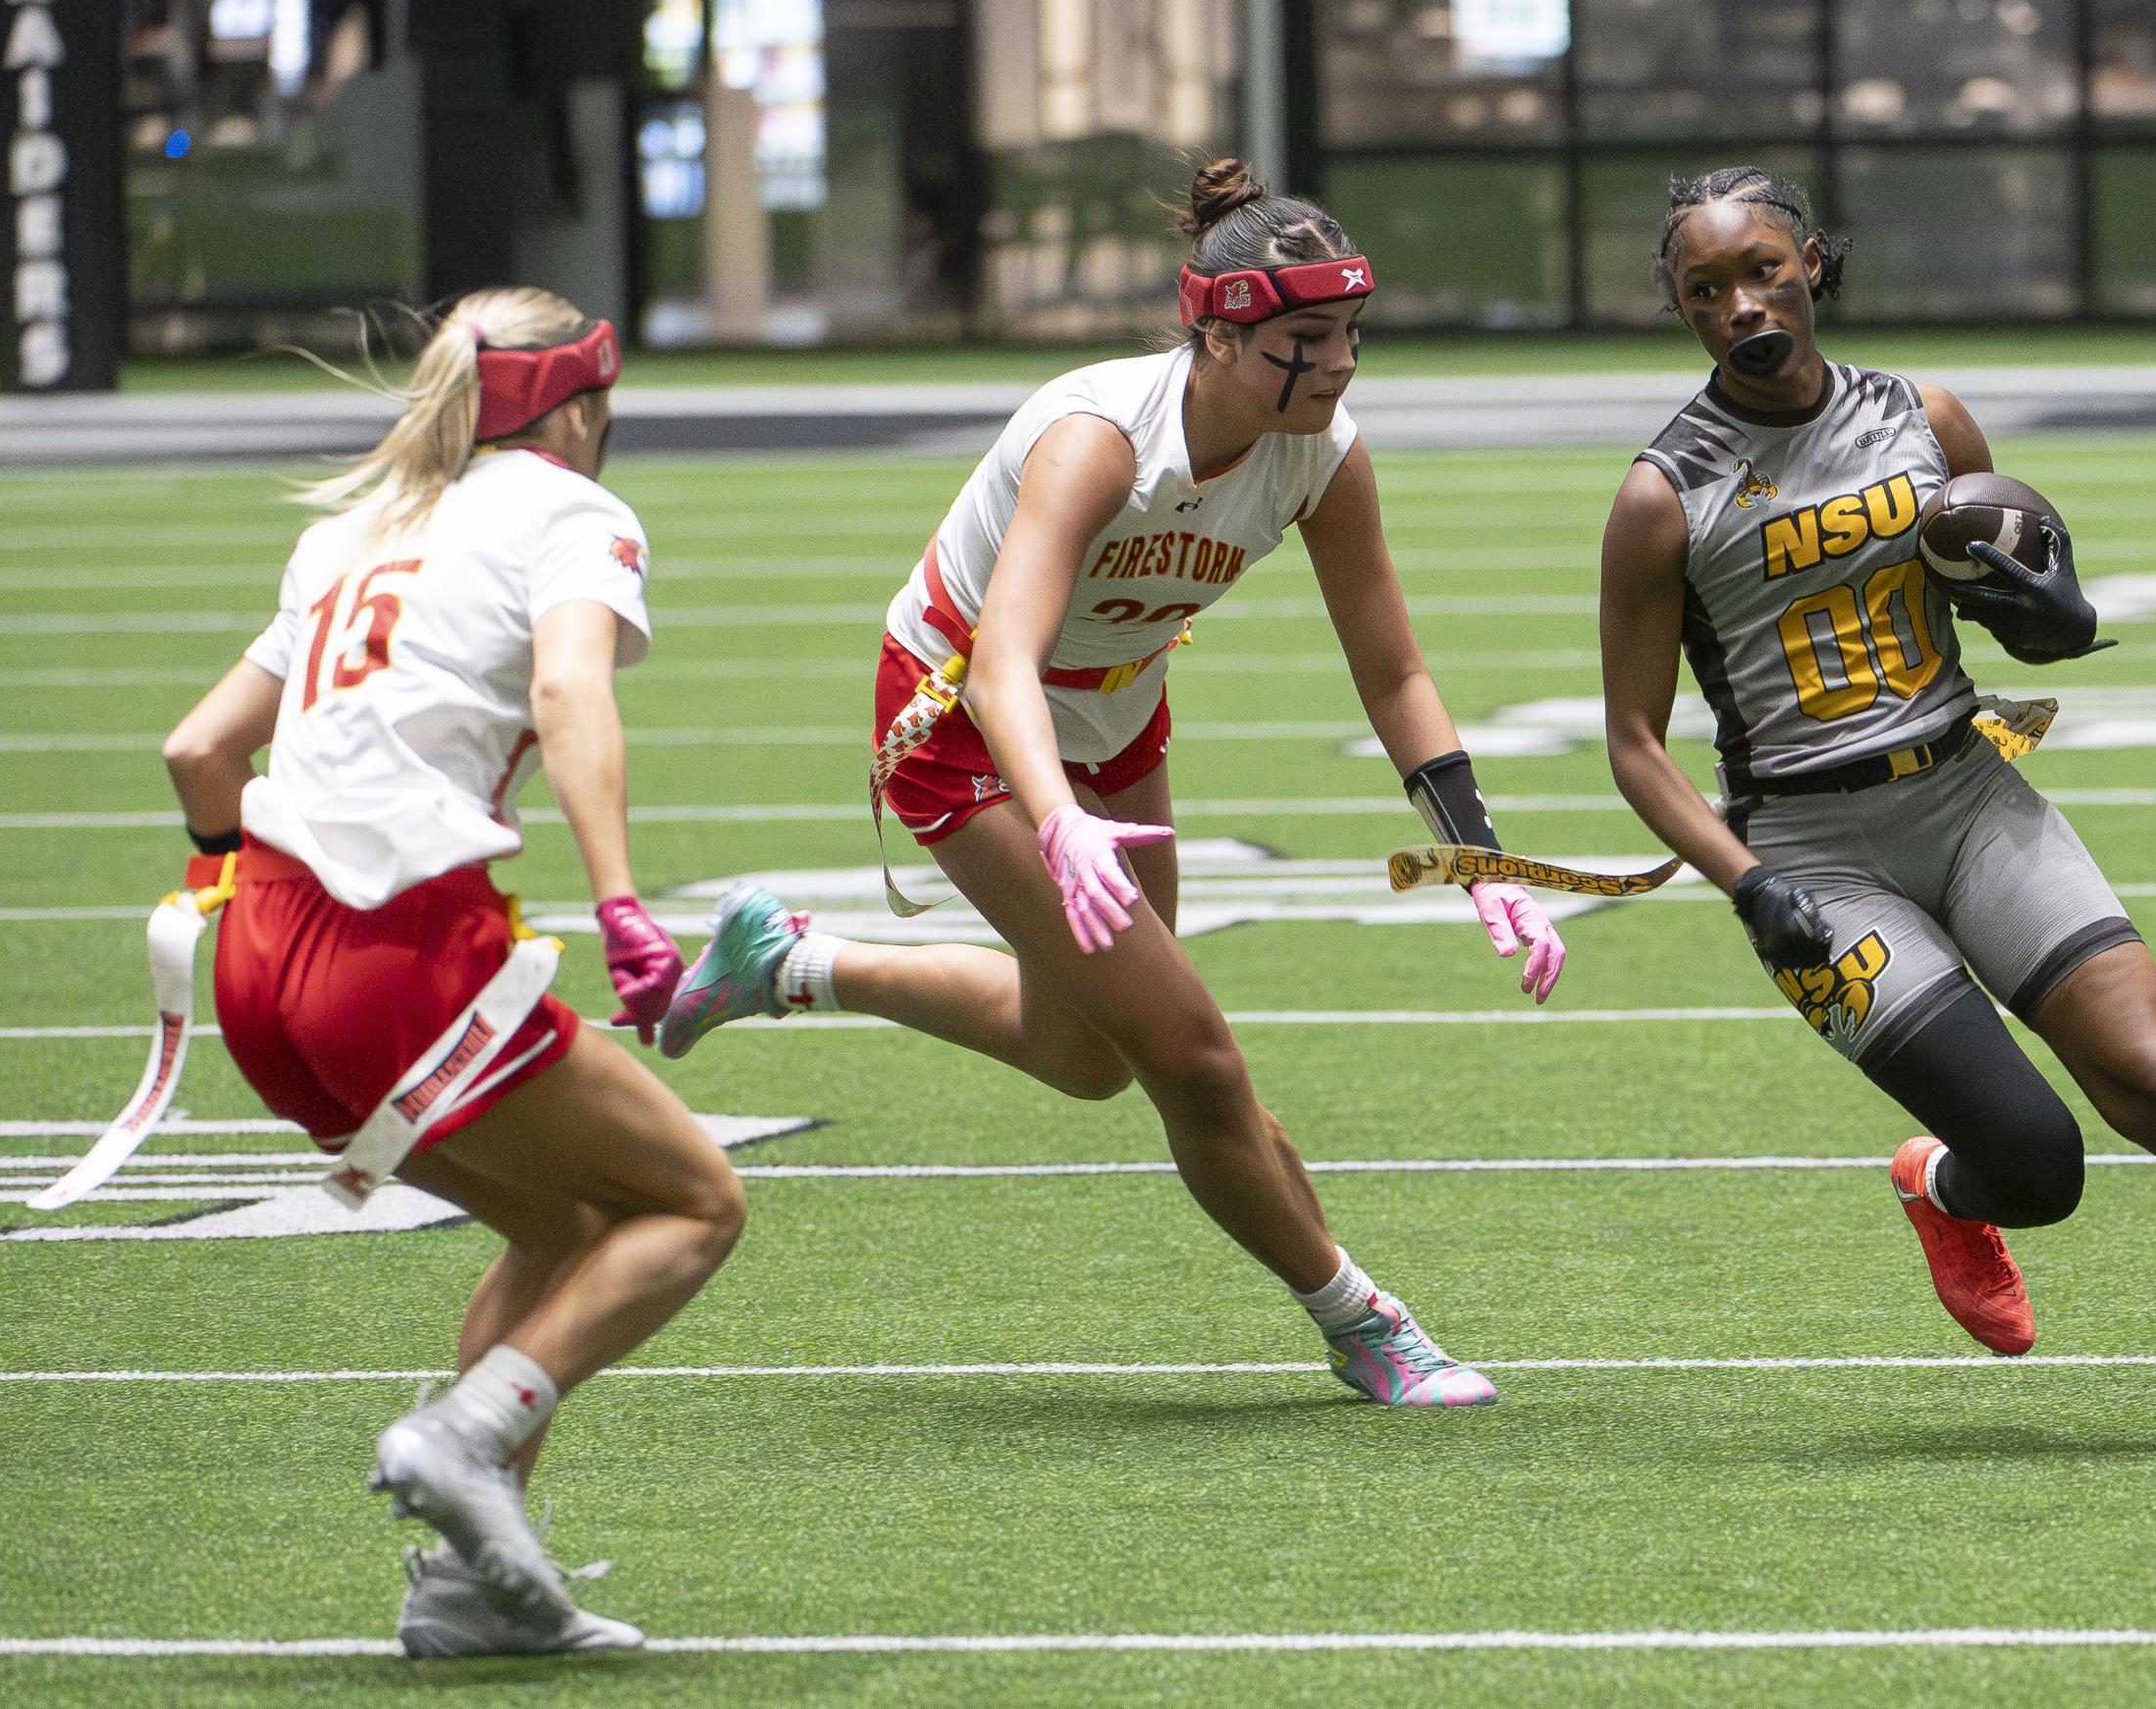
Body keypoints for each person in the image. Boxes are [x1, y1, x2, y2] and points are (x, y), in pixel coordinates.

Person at [658, 160, 1564, 1409]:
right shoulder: (1099, 442)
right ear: (1215, 331)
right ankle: (1362, 1321)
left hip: (1112, 711)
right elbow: (1001, 662)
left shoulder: (1321, 453)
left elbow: (1395, 670)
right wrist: (1057, 817)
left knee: (1085, 1055)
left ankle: (793, 963)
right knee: (1191, 1060)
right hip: (961, 721)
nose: (1342, 363)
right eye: (1308, 337)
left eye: (1351, 331)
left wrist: (1482, 862)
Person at [1593, 168, 2156, 1453]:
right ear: (1677, 308)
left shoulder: (1926, 416)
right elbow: (1632, 742)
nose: (1743, 302)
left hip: (1968, 796)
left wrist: (2058, 620)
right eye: (1707, 288)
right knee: (2039, 1163)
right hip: (1812, 857)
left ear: (1815, 264)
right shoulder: (1663, 493)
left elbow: (2002, 589)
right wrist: (1745, 881)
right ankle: (1948, 1185)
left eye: (1764, 268)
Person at [157, 287, 751, 1656]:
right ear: (581, 406)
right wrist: (618, 897)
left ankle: (468, 1591)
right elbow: (567, 696)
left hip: (260, 966)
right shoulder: (569, 512)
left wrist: (213, 877)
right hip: (400, 947)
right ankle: (467, 1438)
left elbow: (200, 752)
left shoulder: (348, 529)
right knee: (694, 1204)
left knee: (562, 1226)